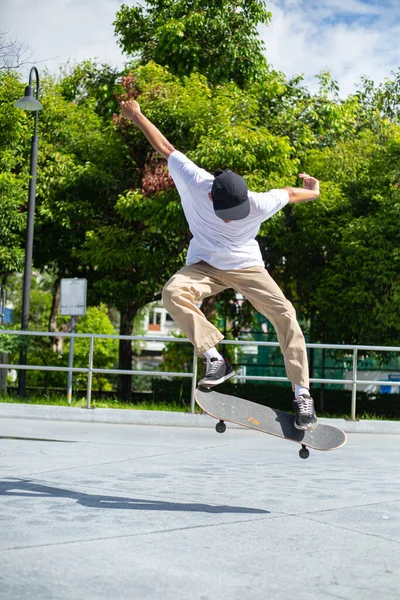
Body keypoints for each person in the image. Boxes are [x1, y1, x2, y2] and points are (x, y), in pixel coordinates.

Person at [120, 99, 319, 431]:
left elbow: (289, 192)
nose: (233, 220)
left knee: (286, 313)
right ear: (211, 196)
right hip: (205, 265)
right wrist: (138, 116)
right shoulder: (196, 181)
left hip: (247, 266)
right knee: (172, 292)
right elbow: (165, 147)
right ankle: (215, 359)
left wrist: (314, 192)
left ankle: (302, 396)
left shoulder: (258, 202)